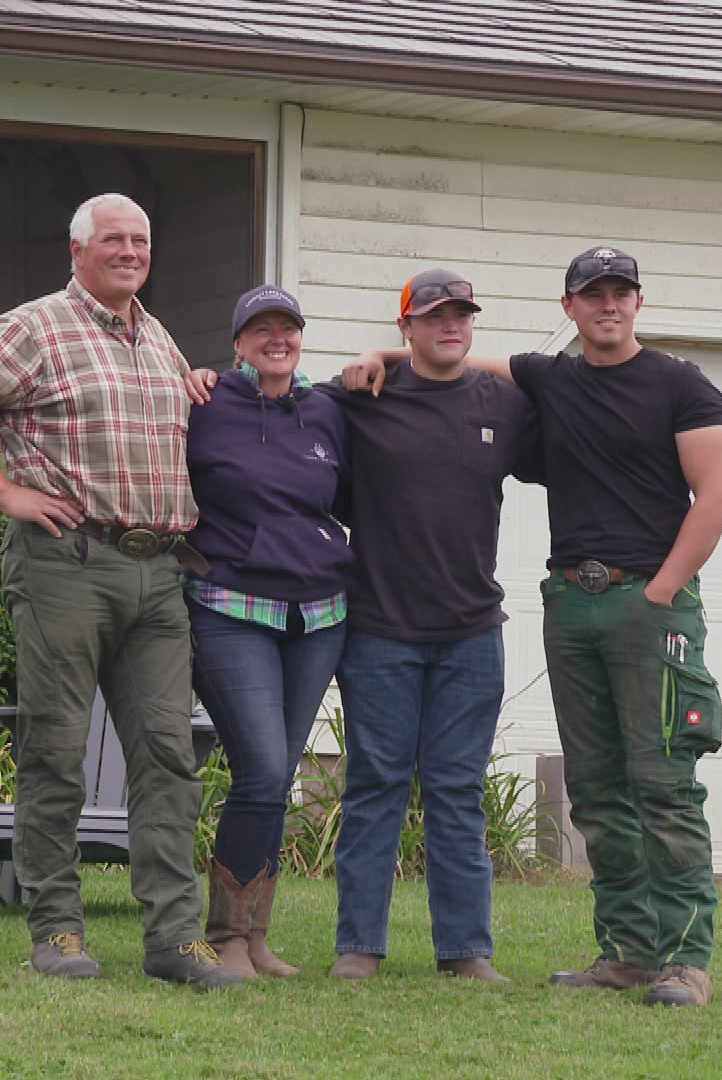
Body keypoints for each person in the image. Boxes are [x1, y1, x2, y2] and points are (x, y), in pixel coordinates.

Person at [343, 247, 722, 1008]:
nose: (608, 306)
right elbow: (447, 351)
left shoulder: (681, 385)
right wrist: (375, 352)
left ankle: (685, 961)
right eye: (593, 296)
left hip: (648, 604)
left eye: (621, 294)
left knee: (664, 785)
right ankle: (624, 950)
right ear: (569, 308)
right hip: (571, 602)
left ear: (639, 303)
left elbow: (713, 499)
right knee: (596, 788)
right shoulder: (550, 377)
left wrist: (659, 593)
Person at [0, 192, 241, 990]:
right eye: (114, 241)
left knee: (169, 755)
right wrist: (4, 491)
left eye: (141, 241)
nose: (130, 252)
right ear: (77, 250)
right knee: (56, 751)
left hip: (159, 570)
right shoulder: (38, 326)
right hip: (69, 562)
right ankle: (57, 930)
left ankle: (173, 939)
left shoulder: (154, 335)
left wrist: (196, 379)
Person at [316, 269, 541, 983]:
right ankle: (360, 947)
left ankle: (465, 951)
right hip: (380, 630)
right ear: (406, 326)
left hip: (472, 632)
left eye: (462, 314)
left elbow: (573, 417)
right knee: (375, 785)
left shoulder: (502, 406)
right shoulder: (360, 399)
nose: (451, 324)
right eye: (435, 315)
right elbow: (278, 400)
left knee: (456, 791)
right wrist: (366, 365)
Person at [183, 285, 351, 979]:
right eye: (262, 329)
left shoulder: (326, 413)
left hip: (317, 616)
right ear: (239, 342)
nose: (276, 339)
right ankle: (224, 938)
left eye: (288, 328)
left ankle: (255, 939)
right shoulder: (203, 402)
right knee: (260, 767)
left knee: (276, 778)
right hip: (230, 606)